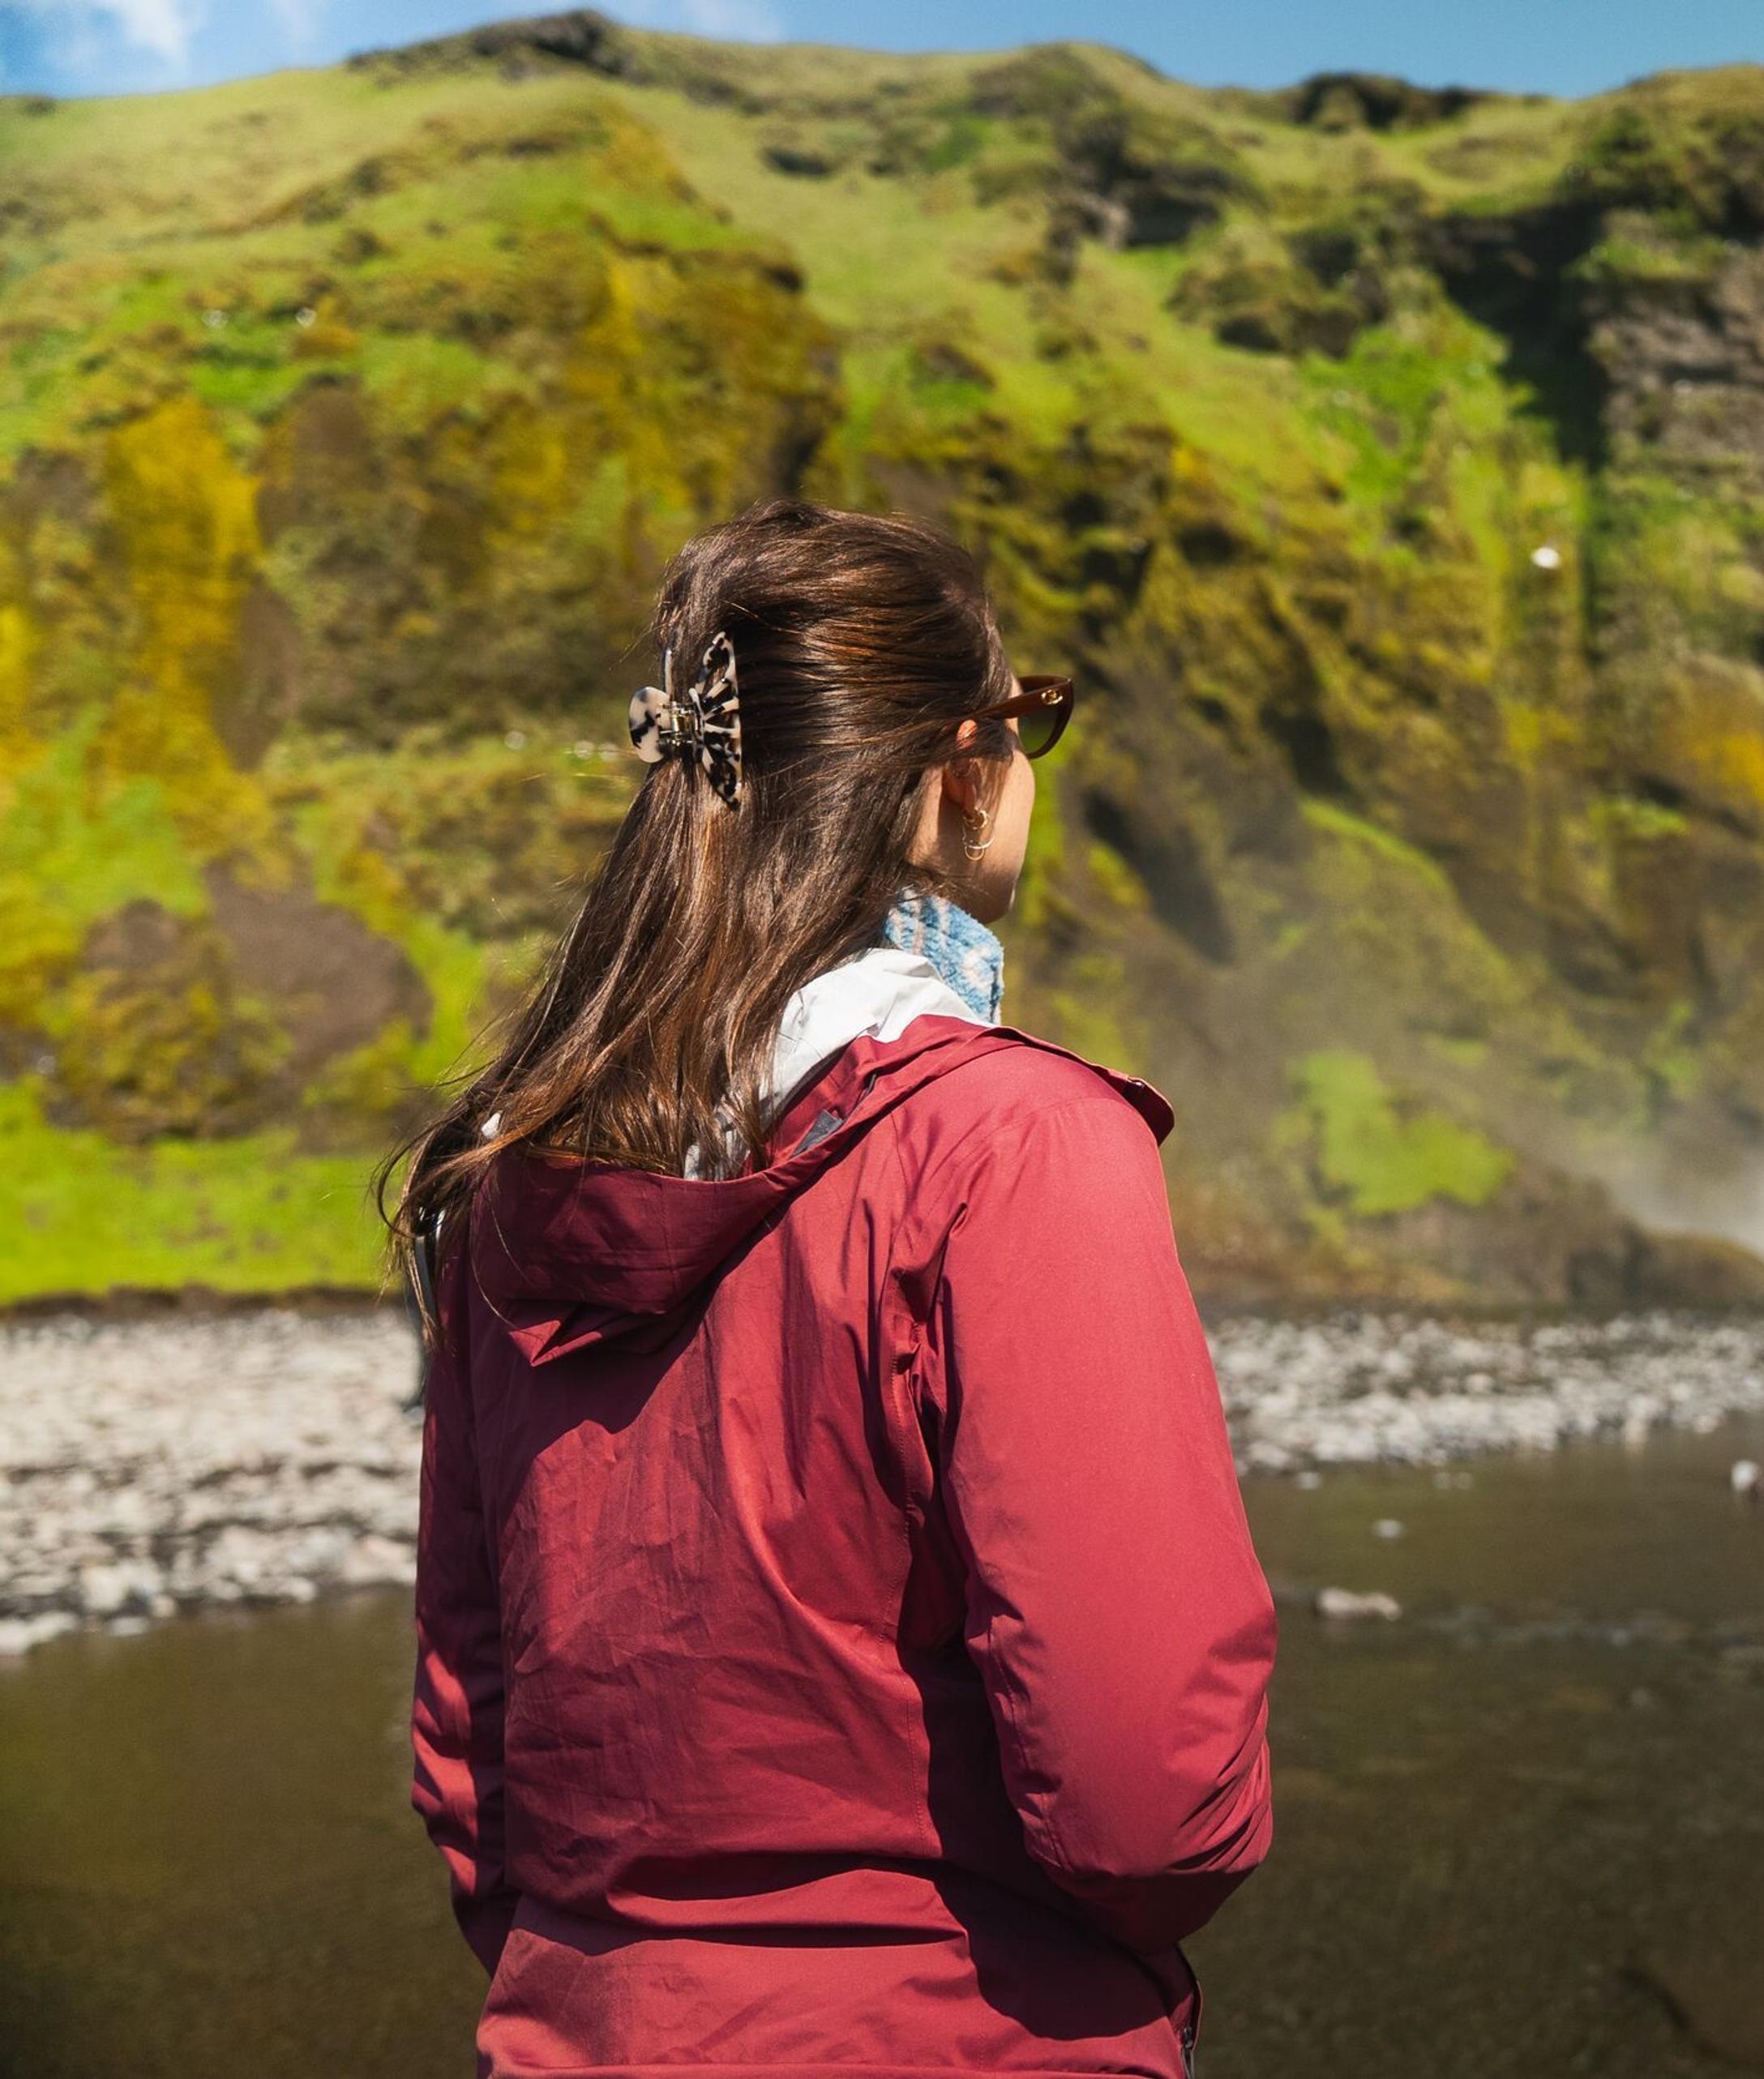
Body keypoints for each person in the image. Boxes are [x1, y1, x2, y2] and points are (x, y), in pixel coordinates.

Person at [392, 500, 1274, 2078]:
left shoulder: (517, 1175)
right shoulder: (1017, 1146)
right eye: (1031, 723)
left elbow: (475, 1743)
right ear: (957, 772)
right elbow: (1148, 1787)